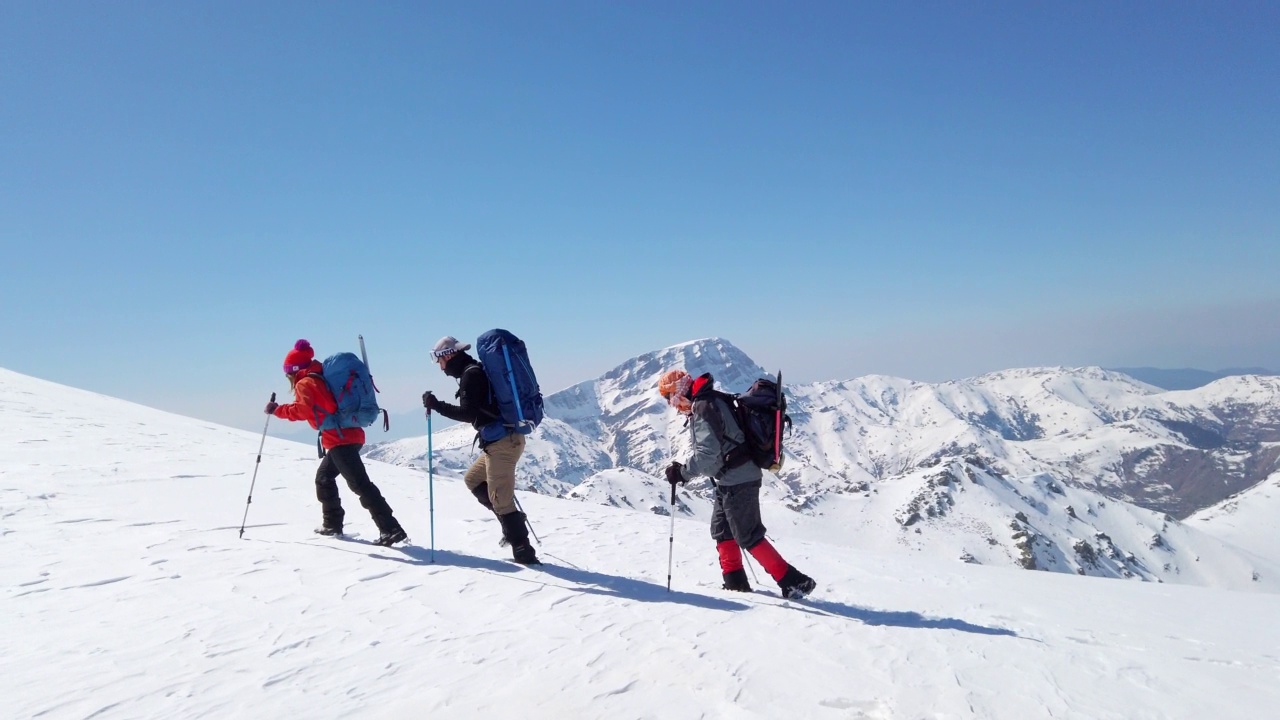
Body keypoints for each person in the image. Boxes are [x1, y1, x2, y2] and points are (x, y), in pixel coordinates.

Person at [658, 369, 816, 599]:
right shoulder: (708, 401)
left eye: (669, 397)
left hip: (739, 479)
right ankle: (735, 583)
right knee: (722, 531)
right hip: (730, 478)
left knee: (749, 535)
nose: (671, 404)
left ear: (678, 391)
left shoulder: (703, 406)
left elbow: (706, 455)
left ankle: (794, 581)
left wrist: (682, 473)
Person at [266, 339, 407, 547]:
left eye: (288, 373)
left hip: (340, 439)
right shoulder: (319, 375)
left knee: (360, 485)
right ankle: (332, 524)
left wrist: (278, 410)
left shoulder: (306, 383)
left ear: (294, 370)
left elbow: (303, 410)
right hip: (348, 435)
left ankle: (391, 529)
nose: (288, 377)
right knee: (324, 478)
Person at [422, 335, 540, 565]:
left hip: (503, 443)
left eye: (439, 360)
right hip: (500, 439)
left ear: (448, 355)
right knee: (473, 480)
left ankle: (524, 553)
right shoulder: (473, 371)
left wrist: (436, 405)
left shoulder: (471, 375)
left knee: (501, 501)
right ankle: (510, 525)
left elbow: (468, 414)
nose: (439, 366)